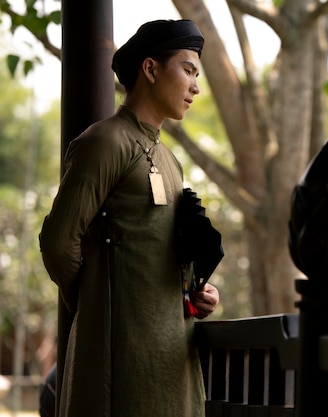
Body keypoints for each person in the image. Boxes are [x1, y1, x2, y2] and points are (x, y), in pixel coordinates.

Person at [39, 19, 220, 417]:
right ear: (151, 69)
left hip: (172, 352)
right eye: (188, 70)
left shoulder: (169, 159)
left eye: (196, 74)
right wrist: (95, 302)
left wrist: (195, 293)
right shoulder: (105, 142)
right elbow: (57, 241)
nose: (195, 86)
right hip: (119, 356)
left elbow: (160, 247)